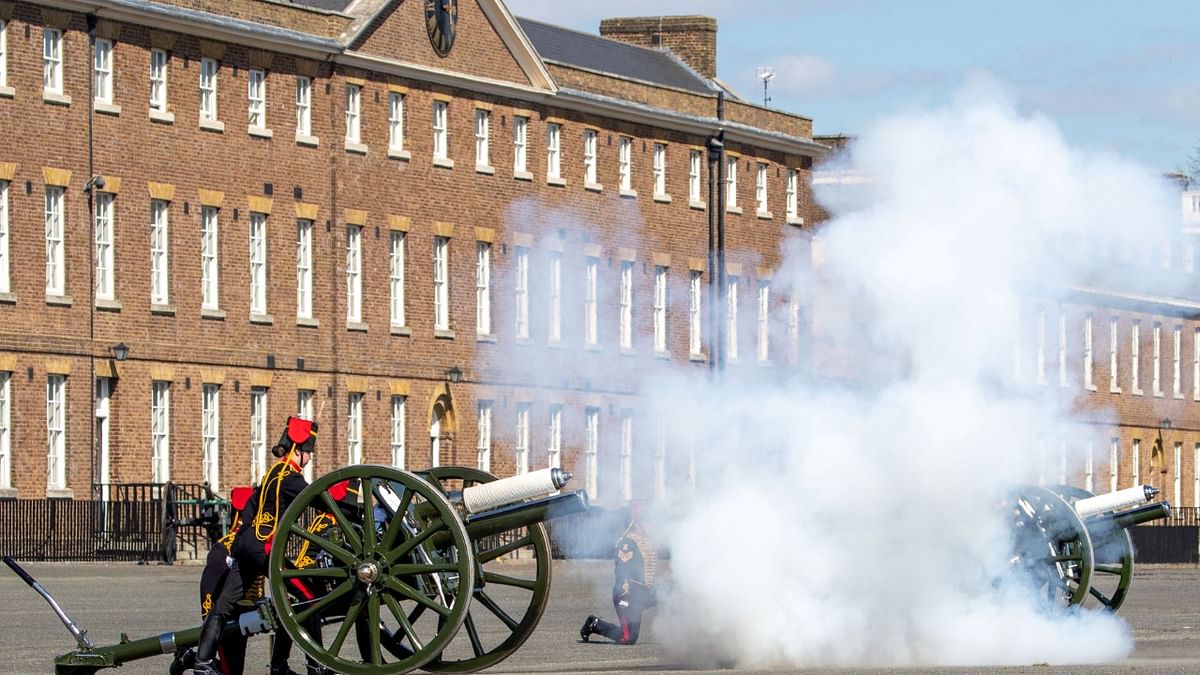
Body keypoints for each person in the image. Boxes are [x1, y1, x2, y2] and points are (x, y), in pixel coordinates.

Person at [193, 416, 335, 675]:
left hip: (248, 543)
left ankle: (202, 664)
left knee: (224, 605)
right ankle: (316, 666)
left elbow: (250, 507)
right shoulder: (289, 477)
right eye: (308, 453)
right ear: (298, 452)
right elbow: (320, 500)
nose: (310, 458)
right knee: (308, 599)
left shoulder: (271, 473)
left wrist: (245, 540)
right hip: (264, 548)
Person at [580, 500, 658, 645]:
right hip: (628, 594)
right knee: (627, 638)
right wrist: (626, 594)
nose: (651, 524)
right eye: (647, 521)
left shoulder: (644, 540)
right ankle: (594, 624)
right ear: (637, 522)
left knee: (671, 597)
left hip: (642, 592)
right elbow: (622, 572)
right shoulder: (627, 543)